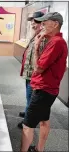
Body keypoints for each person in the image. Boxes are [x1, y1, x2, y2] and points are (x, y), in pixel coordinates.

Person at [21, 12, 68, 152]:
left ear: (55, 24)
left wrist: (36, 46)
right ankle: (39, 149)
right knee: (44, 120)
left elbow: (39, 67)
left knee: (27, 125)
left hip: (43, 89)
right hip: (49, 88)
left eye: (45, 22)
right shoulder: (56, 41)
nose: (42, 24)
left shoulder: (56, 42)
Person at [18, 11, 46, 129]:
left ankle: (27, 119)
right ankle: (27, 111)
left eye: (35, 22)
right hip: (29, 73)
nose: (32, 25)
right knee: (28, 96)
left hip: (34, 75)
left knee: (31, 97)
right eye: (32, 22)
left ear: (42, 23)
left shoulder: (42, 38)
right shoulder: (36, 35)